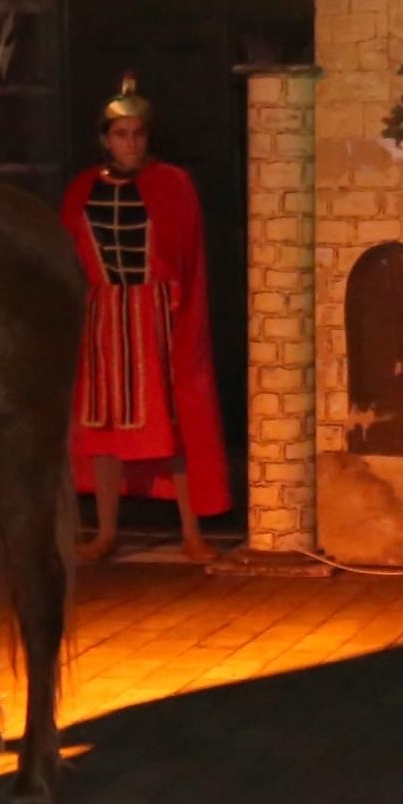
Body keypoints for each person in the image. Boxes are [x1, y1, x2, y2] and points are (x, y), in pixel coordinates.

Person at [62, 75, 232, 563]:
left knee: (170, 426)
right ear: (104, 138)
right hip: (101, 319)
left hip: (155, 316)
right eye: (120, 134)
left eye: (137, 133)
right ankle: (106, 531)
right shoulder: (82, 190)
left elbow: (187, 257)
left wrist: (180, 318)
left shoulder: (171, 184)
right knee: (105, 432)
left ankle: (191, 531)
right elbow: (69, 255)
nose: (130, 143)